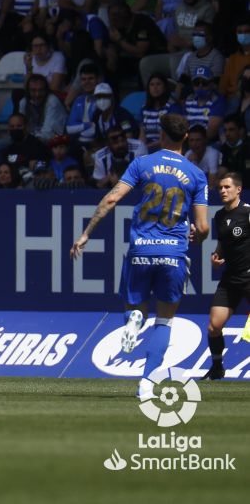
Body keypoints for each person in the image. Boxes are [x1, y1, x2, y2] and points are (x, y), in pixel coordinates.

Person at [71, 113, 209, 391]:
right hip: (174, 253)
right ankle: (146, 383)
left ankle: (134, 319)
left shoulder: (142, 163)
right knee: (165, 319)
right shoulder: (196, 174)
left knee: (136, 308)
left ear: (161, 135)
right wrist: (198, 236)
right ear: (185, 138)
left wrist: (86, 233)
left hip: (141, 249)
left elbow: (112, 198)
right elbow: (203, 226)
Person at [205, 173, 250, 380]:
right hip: (231, 278)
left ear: (238, 190)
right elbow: (222, 244)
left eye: (227, 187)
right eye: (220, 188)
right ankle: (217, 367)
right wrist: (217, 258)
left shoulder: (248, 213)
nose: (222, 191)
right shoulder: (219, 216)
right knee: (214, 326)